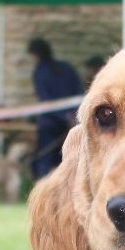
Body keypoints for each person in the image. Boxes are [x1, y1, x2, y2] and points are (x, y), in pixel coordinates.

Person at [28, 37, 83, 179]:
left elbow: (46, 101)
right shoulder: (66, 67)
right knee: (65, 159)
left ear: (35, 54)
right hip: (71, 120)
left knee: (45, 160)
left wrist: (65, 117)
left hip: (50, 122)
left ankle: (42, 191)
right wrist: (72, 116)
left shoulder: (40, 72)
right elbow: (79, 93)